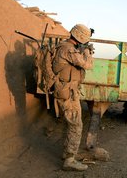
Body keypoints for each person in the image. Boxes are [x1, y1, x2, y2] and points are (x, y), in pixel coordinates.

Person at [52, 24, 93, 171]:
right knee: (76, 124)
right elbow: (87, 65)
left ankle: (67, 153)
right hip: (67, 92)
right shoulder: (68, 49)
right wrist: (88, 52)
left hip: (68, 91)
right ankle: (69, 160)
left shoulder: (66, 47)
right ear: (80, 38)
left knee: (70, 123)